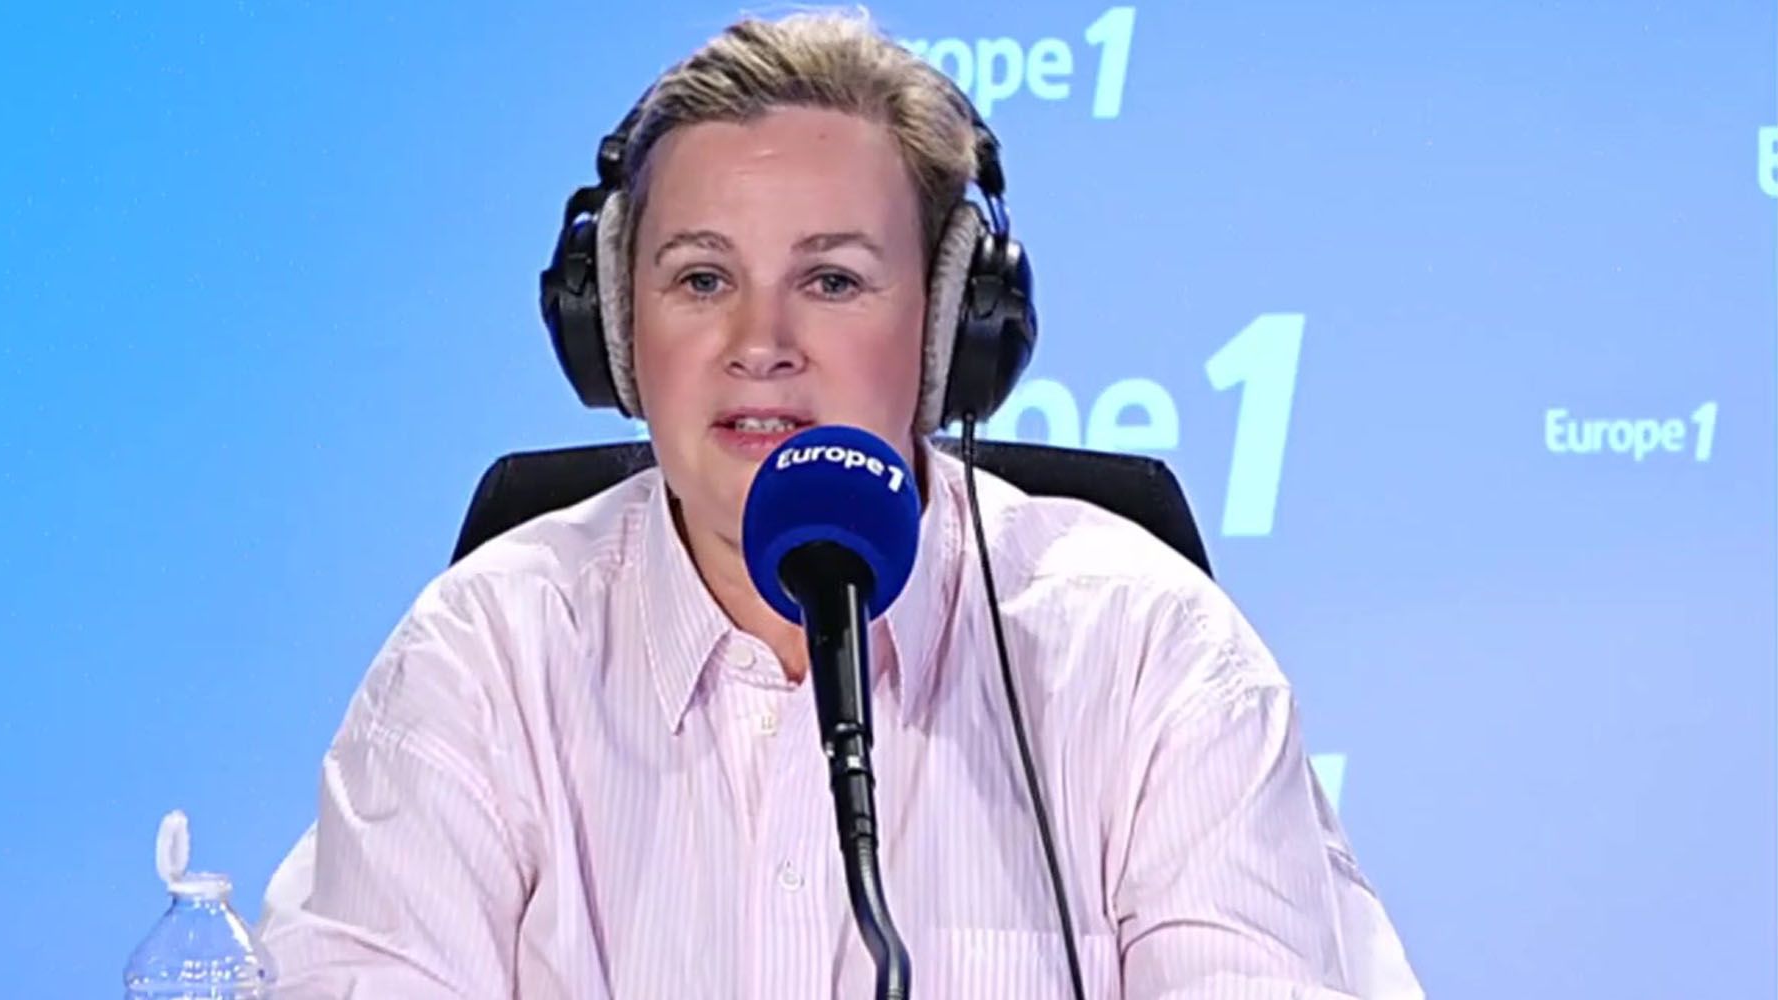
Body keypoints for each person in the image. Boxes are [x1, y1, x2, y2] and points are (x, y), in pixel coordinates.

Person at [258, 10, 1422, 998]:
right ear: (613, 324)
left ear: (947, 329)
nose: (758, 342)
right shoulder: (481, 660)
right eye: (700, 278)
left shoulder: (1149, 659)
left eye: (830, 279)